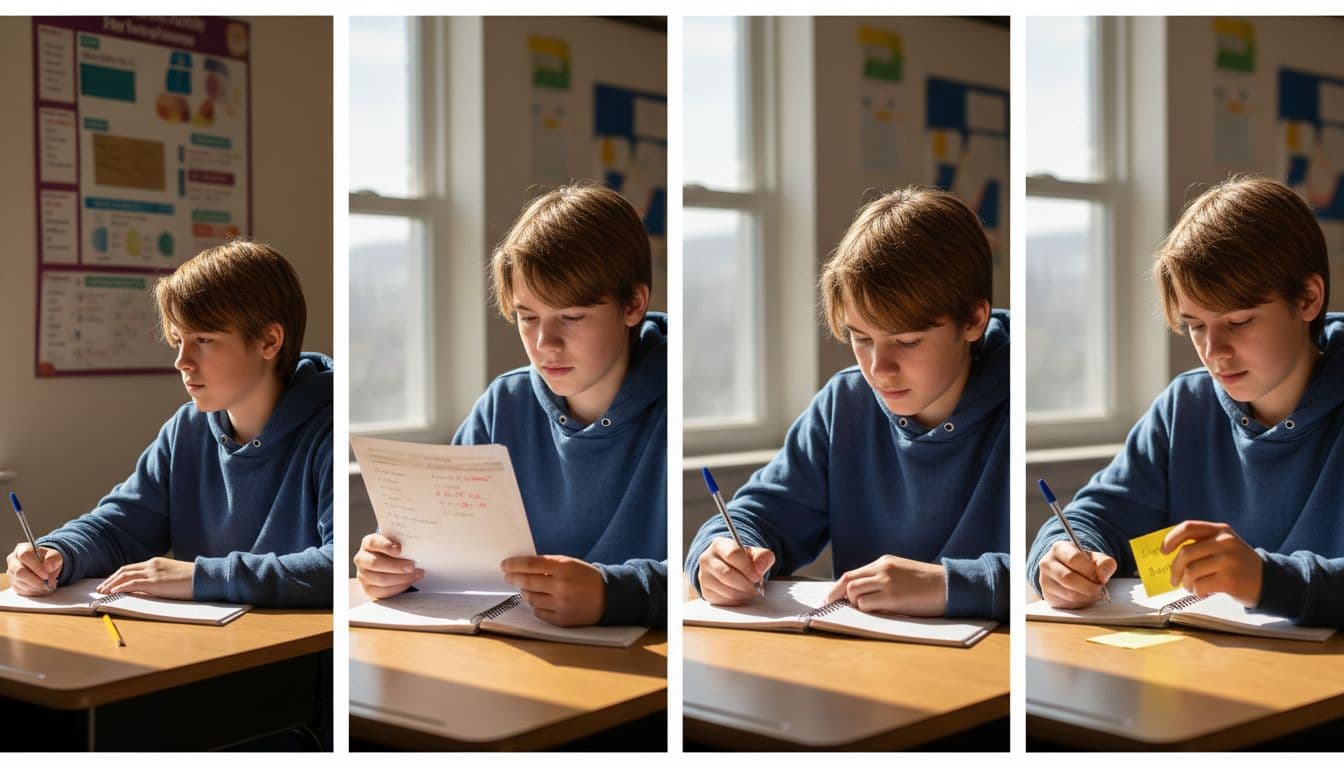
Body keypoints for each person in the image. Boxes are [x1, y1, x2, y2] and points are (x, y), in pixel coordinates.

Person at [1029, 176, 1344, 628]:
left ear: (1308, 299)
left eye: (1239, 322)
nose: (1214, 352)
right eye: (1195, 326)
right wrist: (1059, 558)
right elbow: (1091, 518)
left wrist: (1269, 580)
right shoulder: (1185, 406)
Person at [686, 187, 1009, 621]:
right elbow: (759, 514)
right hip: (862, 655)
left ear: (973, 319)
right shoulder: (845, 403)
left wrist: (949, 586)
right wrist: (720, 553)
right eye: (861, 338)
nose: (879, 368)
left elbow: (1045, 568)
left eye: (907, 342)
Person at [354, 183, 667, 628]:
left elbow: (699, 569)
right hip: (514, 647)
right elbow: (438, 546)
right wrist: (393, 567)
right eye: (527, 317)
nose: (544, 343)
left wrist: (613, 594)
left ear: (633, 305)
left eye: (571, 317)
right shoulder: (504, 404)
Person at [5, 241, 333, 608]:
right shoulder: (187, 429)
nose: (182, 361)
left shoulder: (329, 428)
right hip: (205, 638)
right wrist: (57, 554)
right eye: (178, 340)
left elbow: (336, 566)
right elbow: (120, 527)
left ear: (269, 341)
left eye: (204, 339)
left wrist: (200, 577)